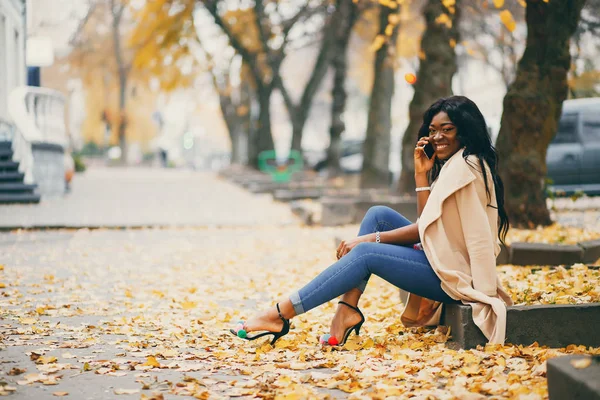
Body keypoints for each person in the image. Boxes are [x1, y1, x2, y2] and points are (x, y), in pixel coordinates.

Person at [231, 96, 514, 346]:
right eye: (432, 130)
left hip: (454, 276)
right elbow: (429, 222)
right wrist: (421, 176)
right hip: (443, 261)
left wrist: (370, 239)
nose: (437, 137)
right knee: (377, 215)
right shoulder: (459, 163)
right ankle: (346, 311)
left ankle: (279, 314)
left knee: (365, 251)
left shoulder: (464, 167)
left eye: (447, 129)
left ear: (465, 131)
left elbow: (446, 233)